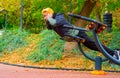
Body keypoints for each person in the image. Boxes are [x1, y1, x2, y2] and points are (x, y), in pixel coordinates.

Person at [41, 7, 120, 61]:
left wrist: (49, 18)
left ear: (50, 13)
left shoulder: (59, 16)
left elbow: (56, 23)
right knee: (93, 46)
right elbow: (49, 27)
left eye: (45, 16)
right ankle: (112, 54)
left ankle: (114, 53)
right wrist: (47, 20)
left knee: (94, 45)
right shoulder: (51, 20)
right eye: (44, 16)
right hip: (74, 35)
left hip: (78, 33)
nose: (45, 18)